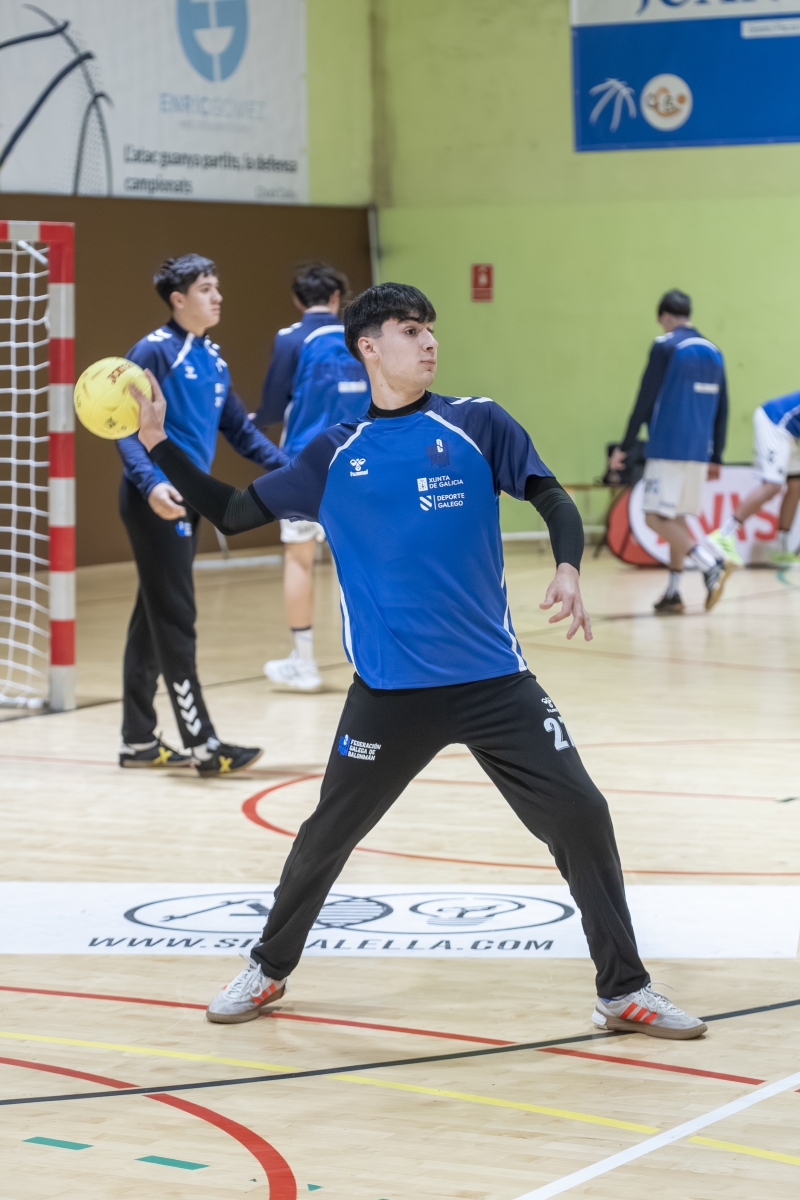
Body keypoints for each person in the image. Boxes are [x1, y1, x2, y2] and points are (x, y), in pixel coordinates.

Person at [134, 282, 707, 1041]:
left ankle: (623, 990)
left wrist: (568, 565)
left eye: (430, 328)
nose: (429, 341)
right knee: (325, 836)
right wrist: (158, 445)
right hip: (390, 694)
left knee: (582, 816)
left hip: (495, 683)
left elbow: (550, 496)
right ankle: (267, 967)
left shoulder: (477, 422)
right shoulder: (333, 453)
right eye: (410, 329)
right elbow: (236, 512)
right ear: (369, 347)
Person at [116, 254, 287, 773]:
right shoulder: (153, 350)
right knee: (176, 620)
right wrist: (150, 484)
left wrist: (295, 471)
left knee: (154, 617)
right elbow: (125, 427)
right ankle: (203, 744)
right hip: (156, 500)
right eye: (206, 289)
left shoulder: (212, 357)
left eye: (216, 287)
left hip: (188, 499)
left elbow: (240, 431)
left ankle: (138, 740)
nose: (217, 297)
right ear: (178, 299)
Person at [253, 263, 362, 692]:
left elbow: (272, 406)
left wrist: (250, 422)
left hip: (303, 464)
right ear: (336, 297)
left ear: (298, 300)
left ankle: (304, 664)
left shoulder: (290, 338)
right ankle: (377, 661)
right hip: (357, 462)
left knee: (299, 559)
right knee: (360, 561)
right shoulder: (360, 336)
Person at [608, 289, 731, 615]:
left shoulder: (665, 345)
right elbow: (723, 407)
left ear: (664, 316)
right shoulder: (714, 351)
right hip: (699, 451)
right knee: (675, 518)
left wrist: (625, 446)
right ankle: (674, 593)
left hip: (668, 447)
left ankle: (710, 563)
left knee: (653, 517)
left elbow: (645, 398)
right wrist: (717, 455)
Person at [709, 390, 800, 567]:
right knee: (772, 486)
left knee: (796, 485)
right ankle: (724, 534)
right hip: (774, 422)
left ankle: (782, 551)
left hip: (791, 432)